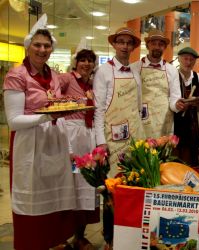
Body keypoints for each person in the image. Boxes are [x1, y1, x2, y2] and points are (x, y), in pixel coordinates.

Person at [3, 14, 77, 250]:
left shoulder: (53, 75)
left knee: (54, 201)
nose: (42, 49)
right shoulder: (17, 75)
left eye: (47, 45)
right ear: (28, 46)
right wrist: (46, 117)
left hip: (54, 142)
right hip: (29, 145)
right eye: (37, 44)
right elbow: (14, 121)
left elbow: (58, 108)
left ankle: (51, 242)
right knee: (32, 201)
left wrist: (69, 148)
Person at [59, 48, 99, 249]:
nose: (86, 63)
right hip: (71, 139)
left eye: (90, 60)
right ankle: (59, 238)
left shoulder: (92, 85)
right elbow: (52, 92)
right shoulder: (67, 79)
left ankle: (79, 236)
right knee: (69, 187)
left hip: (88, 140)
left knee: (85, 186)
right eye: (82, 60)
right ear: (76, 63)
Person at [93, 27, 144, 176]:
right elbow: (99, 110)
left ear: (133, 47)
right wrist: (101, 141)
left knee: (135, 179)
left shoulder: (135, 72)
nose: (125, 46)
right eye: (121, 42)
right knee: (114, 181)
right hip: (113, 139)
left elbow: (139, 107)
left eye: (129, 43)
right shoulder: (103, 71)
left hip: (135, 137)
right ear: (114, 45)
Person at [132, 28, 179, 139]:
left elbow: (175, 97)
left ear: (165, 47)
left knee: (162, 154)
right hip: (141, 121)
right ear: (147, 46)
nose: (157, 47)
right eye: (153, 43)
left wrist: (177, 105)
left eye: (161, 44)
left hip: (164, 121)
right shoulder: (134, 68)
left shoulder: (172, 70)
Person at [171, 47, 199, 166]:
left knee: (192, 158)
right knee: (176, 155)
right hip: (175, 124)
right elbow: (168, 98)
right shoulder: (172, 77)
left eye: (191, 60)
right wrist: (176, 104)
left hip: (193, 125)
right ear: (179, 59)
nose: (188, 62)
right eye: (185, 59)